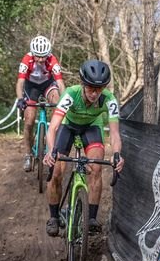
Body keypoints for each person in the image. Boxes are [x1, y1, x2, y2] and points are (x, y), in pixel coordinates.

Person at [43, 60, 125, 237]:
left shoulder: (109, 100)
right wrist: (51, 150)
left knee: (96, 168)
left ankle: (92, 218)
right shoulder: (71, 94)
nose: (95, 93)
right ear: (82, 84)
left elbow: (115, 134)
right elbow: (53, 128)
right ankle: (54, 217)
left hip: (91, 127)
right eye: (90, 88)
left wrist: (117, 154)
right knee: (57, 170)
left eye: (99, 88)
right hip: (68, 126)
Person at [16, 35, 65, 172]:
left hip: (47, 85)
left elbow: (60, 83)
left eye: (43, 56)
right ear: (33, 53)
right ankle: (28, 154)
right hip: (31, 88)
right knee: (29, 121)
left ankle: (54, 146)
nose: (41, 59)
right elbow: (20, 82)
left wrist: (64, 101)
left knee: (57, 101)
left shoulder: (52, 60)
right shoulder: (27, 59)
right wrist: (20, 99)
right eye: (38, 56)